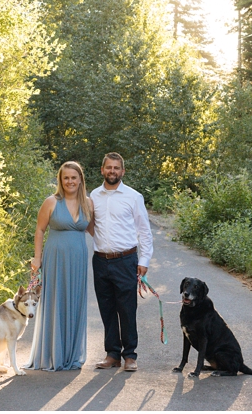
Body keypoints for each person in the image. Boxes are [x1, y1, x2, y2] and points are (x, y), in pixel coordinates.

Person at [26, 161, 93, 371]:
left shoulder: (88, 204)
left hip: (79, 259)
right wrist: (37, 258)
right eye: (66, 178)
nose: (70, 181)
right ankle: (53, 354)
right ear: (60, 180)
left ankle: (71, 354)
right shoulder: (51, 202)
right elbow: (39, 231)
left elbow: (96, 231)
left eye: (74, 177)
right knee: (56, 301)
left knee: (75, 301)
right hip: (55, 258)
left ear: (80, 179)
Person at [90, 152, 154, 372]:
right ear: (102, 170)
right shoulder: (93, 196)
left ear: (123, 171)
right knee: (106, 309)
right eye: (109, 167)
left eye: (116, 168)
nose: (112, 171)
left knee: (127, 309)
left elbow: (144, 231)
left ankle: (130, 355)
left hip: (126, 260)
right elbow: (90, 226)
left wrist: (143, 261)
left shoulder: (133, 197)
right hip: (100, 260)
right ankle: (112, 354)